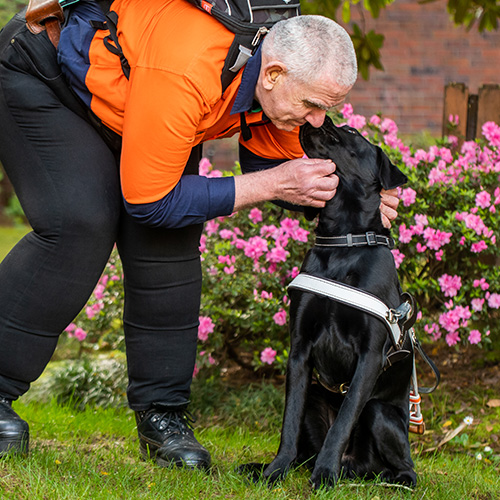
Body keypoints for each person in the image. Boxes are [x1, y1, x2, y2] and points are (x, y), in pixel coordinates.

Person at [0, 0, 400, 470]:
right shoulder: (190, 64)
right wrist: (269, 185)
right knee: (81, 222)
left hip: (143, 104)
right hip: (49, 82)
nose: (318, 120)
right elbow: (150, 199)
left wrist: (360, 198)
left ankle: (162, 417)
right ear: (271, 75)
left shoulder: (275, 68)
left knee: (170, 244)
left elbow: (283, 166)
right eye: (313, 105)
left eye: (328, 108)